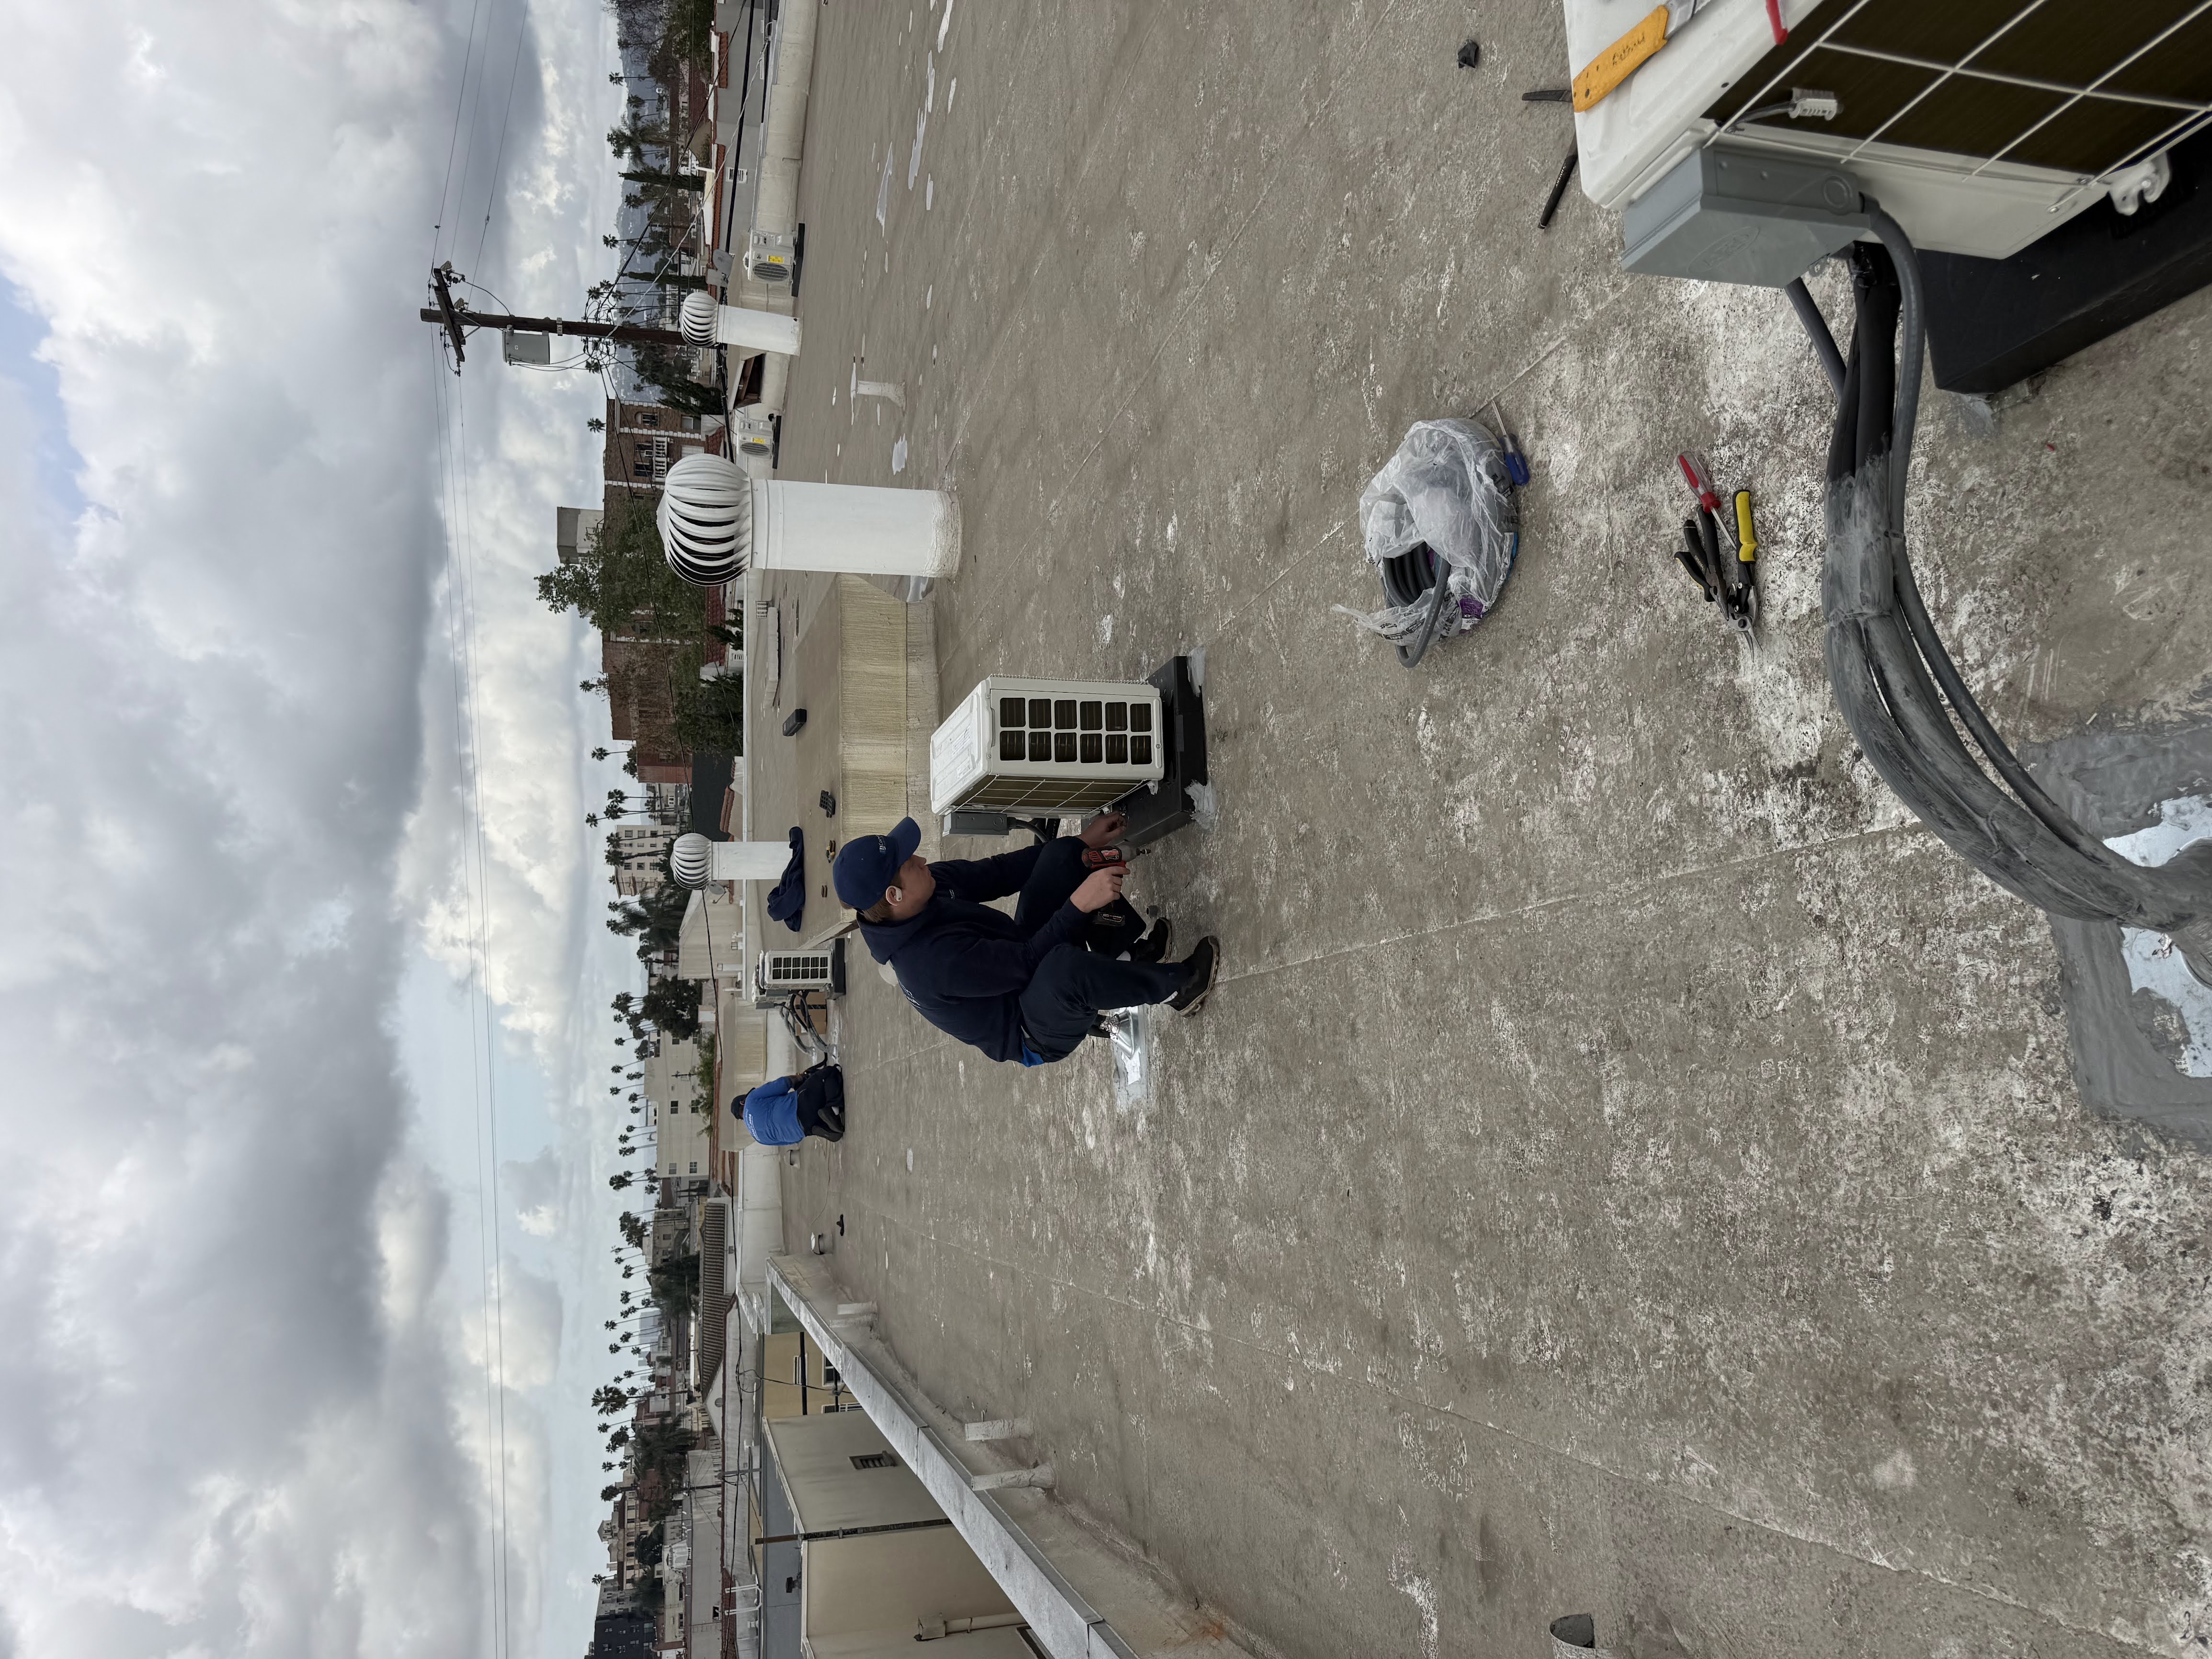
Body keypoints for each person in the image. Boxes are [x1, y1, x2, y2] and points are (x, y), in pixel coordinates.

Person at [831, 811, 1218, 1066]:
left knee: (1060, 859)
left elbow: (999, 873)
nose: (920, 859)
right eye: (909, 862)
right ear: (894, 897)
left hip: (1018, 956)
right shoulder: (929, 964)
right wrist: (1078, 905)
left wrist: (1080, 844)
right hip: (1033, 1026)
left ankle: (1132, 959)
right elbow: (1030, 964)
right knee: (1065, 970)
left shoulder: (926, 886)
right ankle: (1177, 989)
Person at [736, 1062, 845, 1145]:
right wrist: (800, 1077)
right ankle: (833, 1110)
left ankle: (824, 1127)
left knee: (817, 1102)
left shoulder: (758, 1139)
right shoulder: (750, 1100)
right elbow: (784, 1084)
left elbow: (788, 1142)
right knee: (830, 1072)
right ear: (742, 1102)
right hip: (799, 1108)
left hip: (802, 1131)